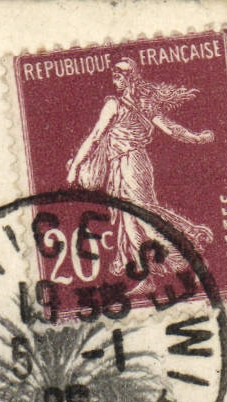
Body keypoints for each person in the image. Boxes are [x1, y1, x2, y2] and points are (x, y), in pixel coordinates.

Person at [64, 59, 216, 278]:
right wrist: (196, 137)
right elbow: (170, 129)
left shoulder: (115, 105)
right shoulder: (144, 105)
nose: (115, 79)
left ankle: (186, 244)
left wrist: (75, 167)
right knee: (133, 218)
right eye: (114, 75)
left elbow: (95, 137)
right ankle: (151, 267)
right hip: (135, 164)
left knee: (141, 213)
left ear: (130, 78)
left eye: (120, 75)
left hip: (129, 165)